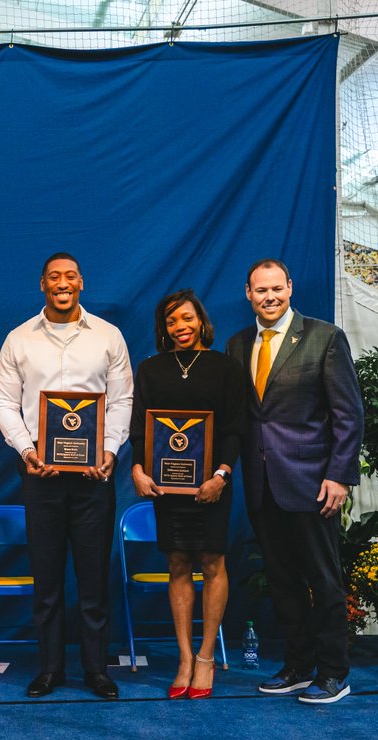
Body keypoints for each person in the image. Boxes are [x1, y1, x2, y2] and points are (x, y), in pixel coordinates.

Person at [0, 252, 133, 700]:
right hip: (40, 476)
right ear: (42, 285)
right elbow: (3, 403)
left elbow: (123, 401)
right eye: (54, 277)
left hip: (95, 478)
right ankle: (50, 669)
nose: (62, 283)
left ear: (82, 282)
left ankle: (96, 671)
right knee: (47, 580)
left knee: (93, 581)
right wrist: (27, 449)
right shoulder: (18, 339)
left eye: (70, 276)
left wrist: (110, 449)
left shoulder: (109, 337)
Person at [226, 258, 364, 705]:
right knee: (282, 582)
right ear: (248, 293)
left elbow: (349, 414)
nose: (269, 297)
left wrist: (339, 476)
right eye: (259, 290)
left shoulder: (324, 337)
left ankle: (334, 674)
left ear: (290, 286)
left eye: (276, 289)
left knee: (324, 581)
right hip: (263, 484)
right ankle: (299, 667)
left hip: (312, 483)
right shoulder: (238, 344)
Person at [129, 289, 246, 700]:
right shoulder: (150, 370)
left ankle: (206, 656)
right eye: (171, 321)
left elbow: (234, 428)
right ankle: (182, 657)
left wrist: (221, 476)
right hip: (167, 488)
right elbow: (139, 429)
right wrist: (138, 469)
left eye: (186, 318)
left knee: (213, 564)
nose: (180, 327)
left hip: (212, 485)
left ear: (201, 321)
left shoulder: (225, 368)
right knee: (177, 565)